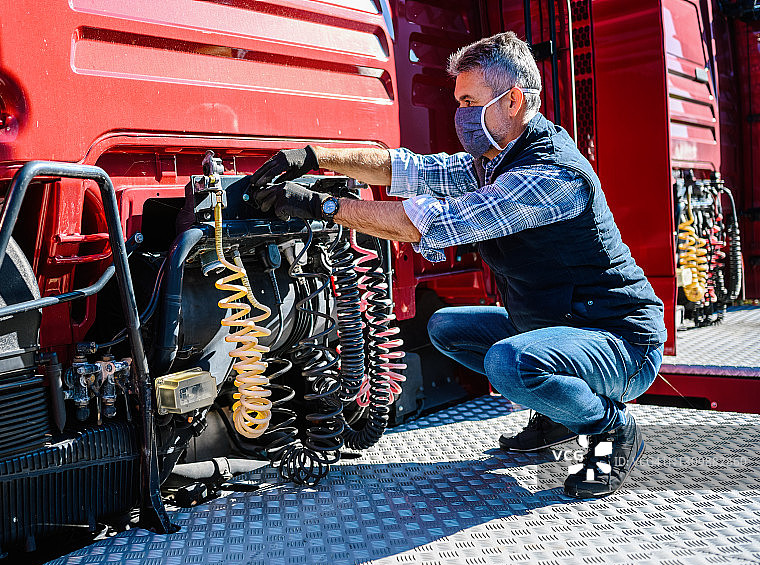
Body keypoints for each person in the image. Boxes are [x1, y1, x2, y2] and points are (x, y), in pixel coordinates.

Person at [249, 32, 666, 499]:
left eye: (469, 101)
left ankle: (613, 428)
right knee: (446, 327)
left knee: (509, 363)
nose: (460, 115)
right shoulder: (493, 161)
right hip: (557, 328)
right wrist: (311, 158)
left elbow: (435, 223)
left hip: (619, 339)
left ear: (511, 102)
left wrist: (320, 208)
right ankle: (556, 417)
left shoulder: (550, 175)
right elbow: (405, 170)